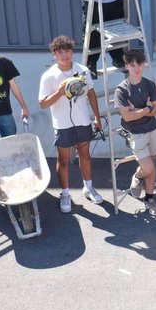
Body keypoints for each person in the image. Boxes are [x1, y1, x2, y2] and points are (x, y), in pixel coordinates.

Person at [38, 35, 104, 213]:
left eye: (67, 51)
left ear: (72, 52)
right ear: (54, 54)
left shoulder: (82, 70)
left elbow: (90, 94)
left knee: (85, 156)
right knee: (64, 160)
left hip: (83, 120)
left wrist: (96, 117)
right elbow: (42, 103)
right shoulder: (49, 75)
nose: (65, 55)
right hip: (62, 124)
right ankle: (65, 193)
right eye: (60, 52)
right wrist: (60, 92)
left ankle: (88, 187)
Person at [115, 49, 156, 217]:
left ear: (144, 64)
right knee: (148, 168)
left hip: (153, 129)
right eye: (132, 65)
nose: (137, 68)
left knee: (153, 164)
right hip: (136, 133)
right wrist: (146, 108)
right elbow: (127, 117)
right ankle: (137, 176)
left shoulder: (149, 85)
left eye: (139, 64)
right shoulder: (121, 90)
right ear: (126, 66)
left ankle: (149, 198)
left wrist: (137, 110)